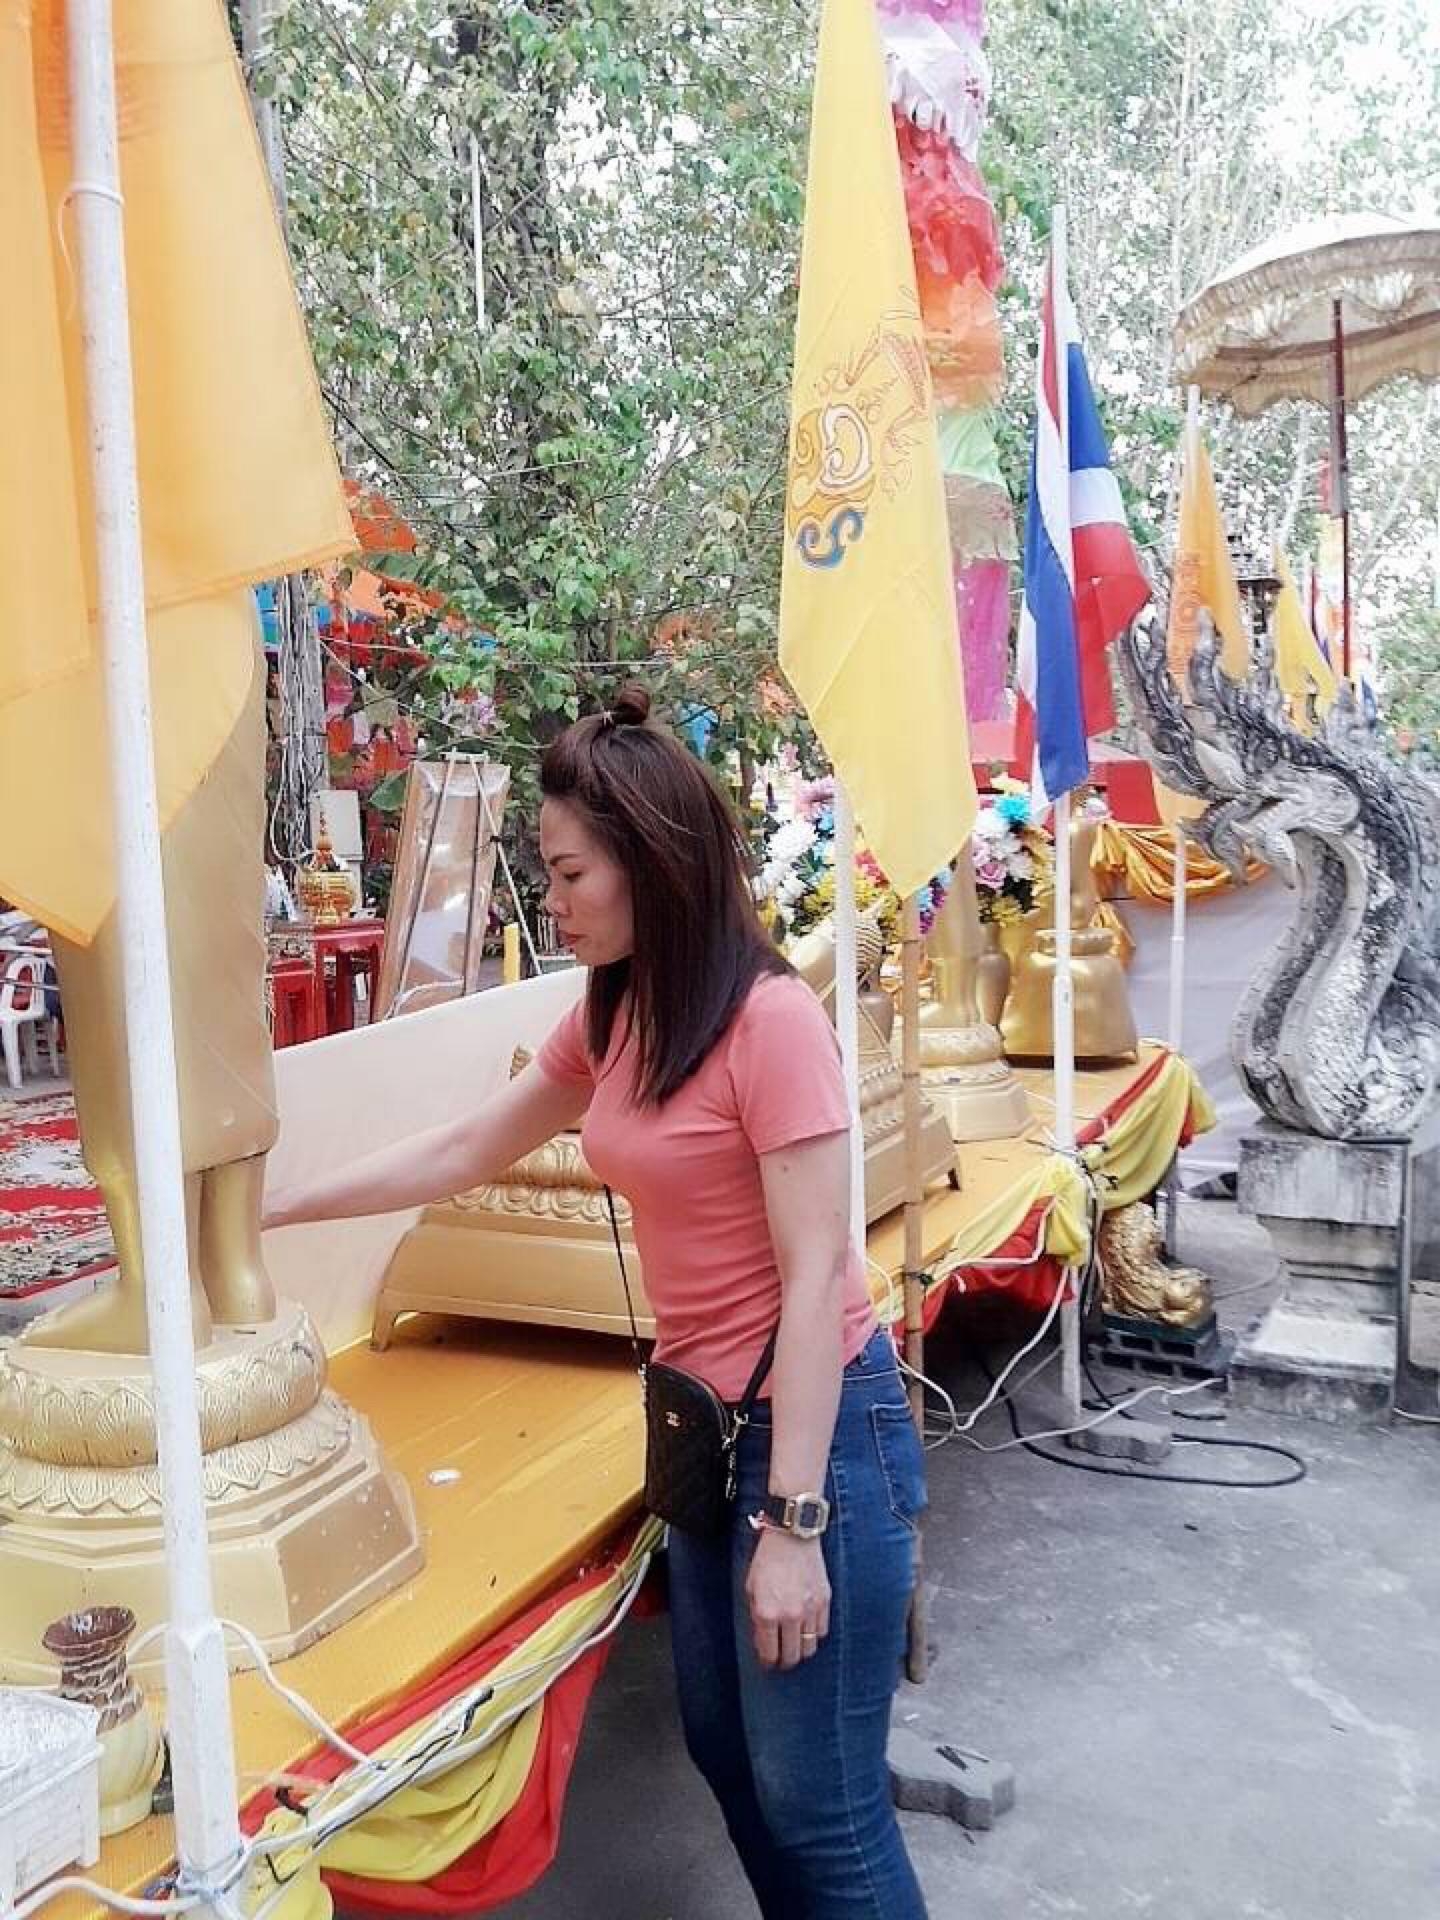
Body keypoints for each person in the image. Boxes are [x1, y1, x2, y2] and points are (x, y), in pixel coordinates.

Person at [265, 685, 929, 1919]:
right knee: (731, 1763)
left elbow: (813, 1279)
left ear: (651, 861)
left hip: (817, 1441)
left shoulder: (770, 1023)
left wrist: (795, 1525)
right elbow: (466, 1146)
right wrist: (276, 1204)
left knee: (823, 1810)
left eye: (570, 875)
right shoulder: (618, 1012)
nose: (554, 901)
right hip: (703, 1435)